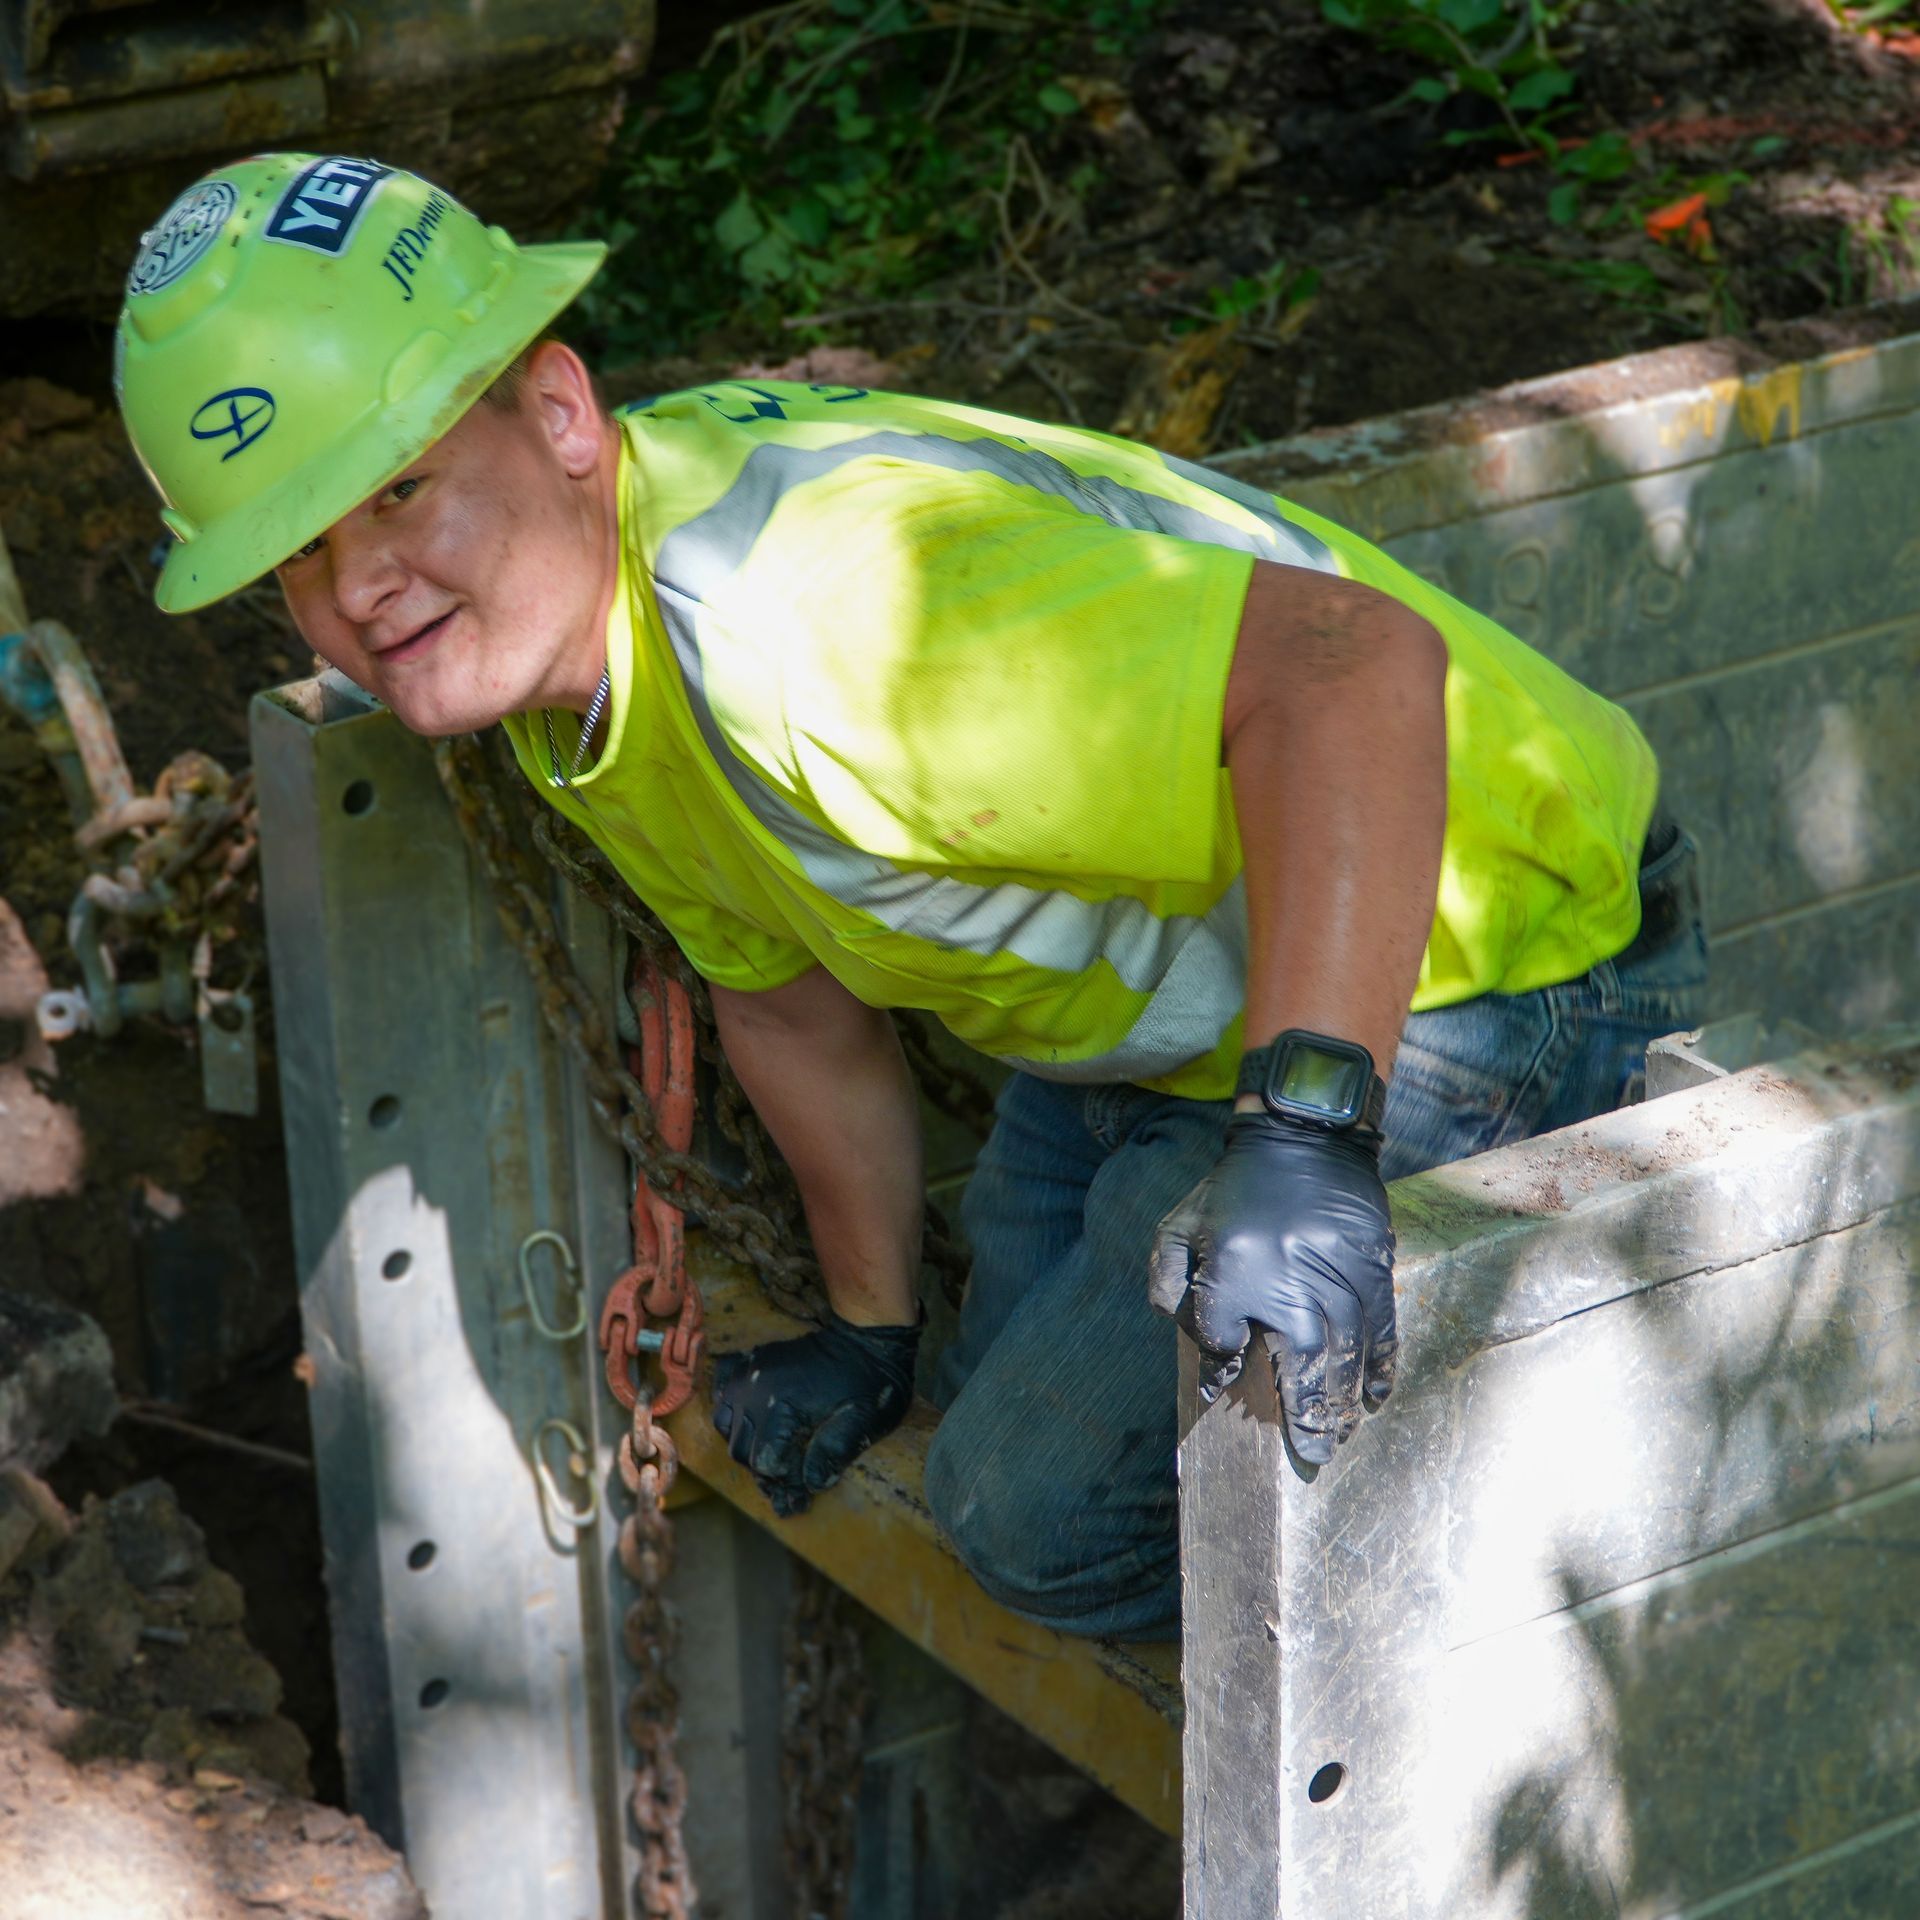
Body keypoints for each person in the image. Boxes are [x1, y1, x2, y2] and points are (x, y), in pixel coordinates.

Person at [117, 155, 1707, 1641]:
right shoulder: (570, 653)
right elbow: (785, 998)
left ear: (558, 410)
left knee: (1031, 1520)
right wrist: (869, 1331)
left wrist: (1303, 1139)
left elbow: (1356, 675)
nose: (357, 591)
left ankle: (1526, 1643)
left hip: (1477, 944)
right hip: (1171, 1015)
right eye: (300, 555)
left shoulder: (815, 632)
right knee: (983, 1407)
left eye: (398, 493)